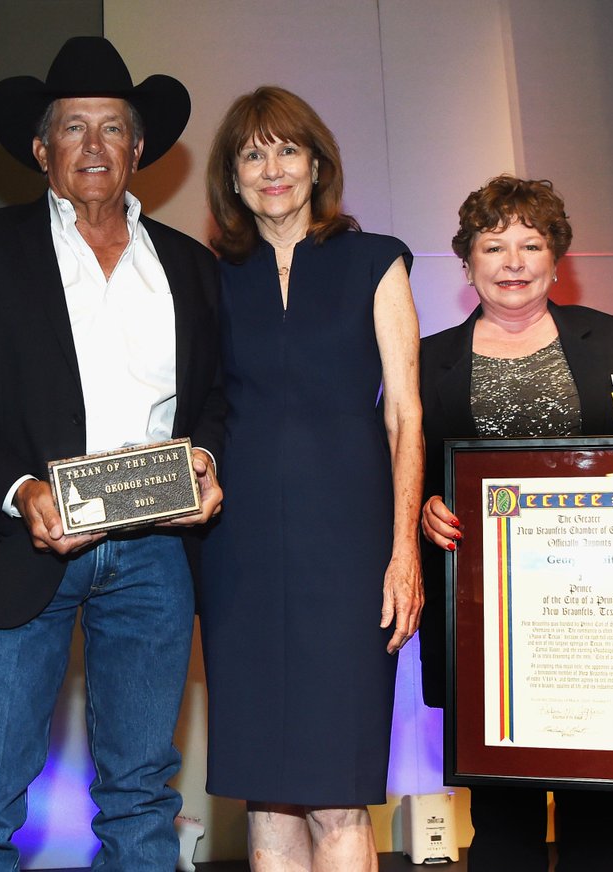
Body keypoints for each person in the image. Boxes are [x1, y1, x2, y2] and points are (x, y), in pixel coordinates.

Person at [0, 37, 224, 870]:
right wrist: (17, 490)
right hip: (21, 547)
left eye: (112, 128)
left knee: (143, 795)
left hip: (155, 555)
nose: (93, 146)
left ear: (139, 148)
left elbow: (215, 400)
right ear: (41, 149)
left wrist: (207, 463)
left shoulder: (189, 267)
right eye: (72, 127)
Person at [418, 175, 613, 872]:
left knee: (607, 826)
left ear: (558, 259)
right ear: (467, 262)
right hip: (488, 632)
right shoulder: (428, 360)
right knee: (502, 826)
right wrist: (421, 506)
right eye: (494, 246)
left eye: (532, 243)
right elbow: (392, 474)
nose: (513, 261)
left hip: (606, 629)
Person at [199, 86, 424, 871]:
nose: (272, 168)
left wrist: (404, 553)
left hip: (352, 549)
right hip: (241, 555)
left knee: (336, 794)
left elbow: (405, 415)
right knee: (265, 796)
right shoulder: (208, 277)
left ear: (317, 162)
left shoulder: (375, 260)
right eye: (252, 153)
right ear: (230, 176)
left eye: (287, 149)